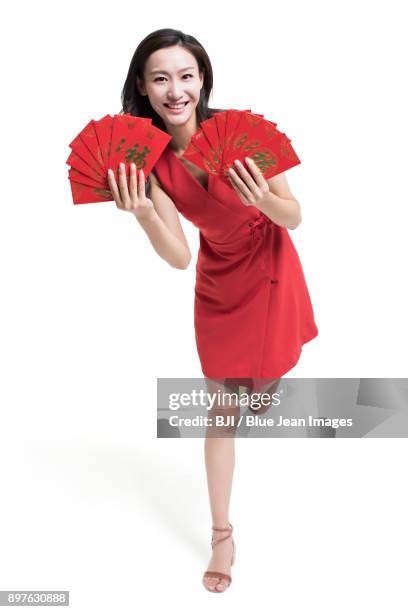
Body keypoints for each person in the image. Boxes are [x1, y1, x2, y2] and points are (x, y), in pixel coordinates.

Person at [107, 27, 318, 593]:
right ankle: (222, 534)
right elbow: (178, 257)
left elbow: (293, 216)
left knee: (266, 378)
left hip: (271, 264)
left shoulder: (242, 133)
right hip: (218, 282)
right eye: (161, 78)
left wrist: (263, 198)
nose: (176, 90)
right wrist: (146, 215)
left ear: (202, 80)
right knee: (221, 411)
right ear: (143, 89)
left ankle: (265, 382)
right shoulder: (146, 161)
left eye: (186, 75)